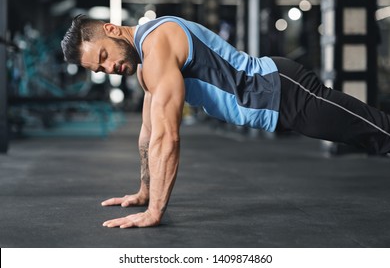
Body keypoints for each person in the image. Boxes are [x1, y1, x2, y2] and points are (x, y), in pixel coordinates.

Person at [61, 15, 390, 228]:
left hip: (284, 92)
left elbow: (168, 137)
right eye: (100, 69)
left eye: (104, 57)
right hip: (274, 107)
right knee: (371, 136)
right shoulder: (147, 67)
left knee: (379, 133)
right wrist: (144, 192)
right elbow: (148, 134)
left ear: (111, 30)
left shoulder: (157, 44)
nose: (109, 68)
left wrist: (155, 212)